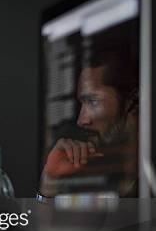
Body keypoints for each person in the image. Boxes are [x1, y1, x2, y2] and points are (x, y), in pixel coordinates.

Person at [40, 49, 139, 198]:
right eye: (82, 103)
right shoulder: (99, 174)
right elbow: (40, 220)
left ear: (133, 101)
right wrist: (48, 185)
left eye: (92, 101)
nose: (81, 121)